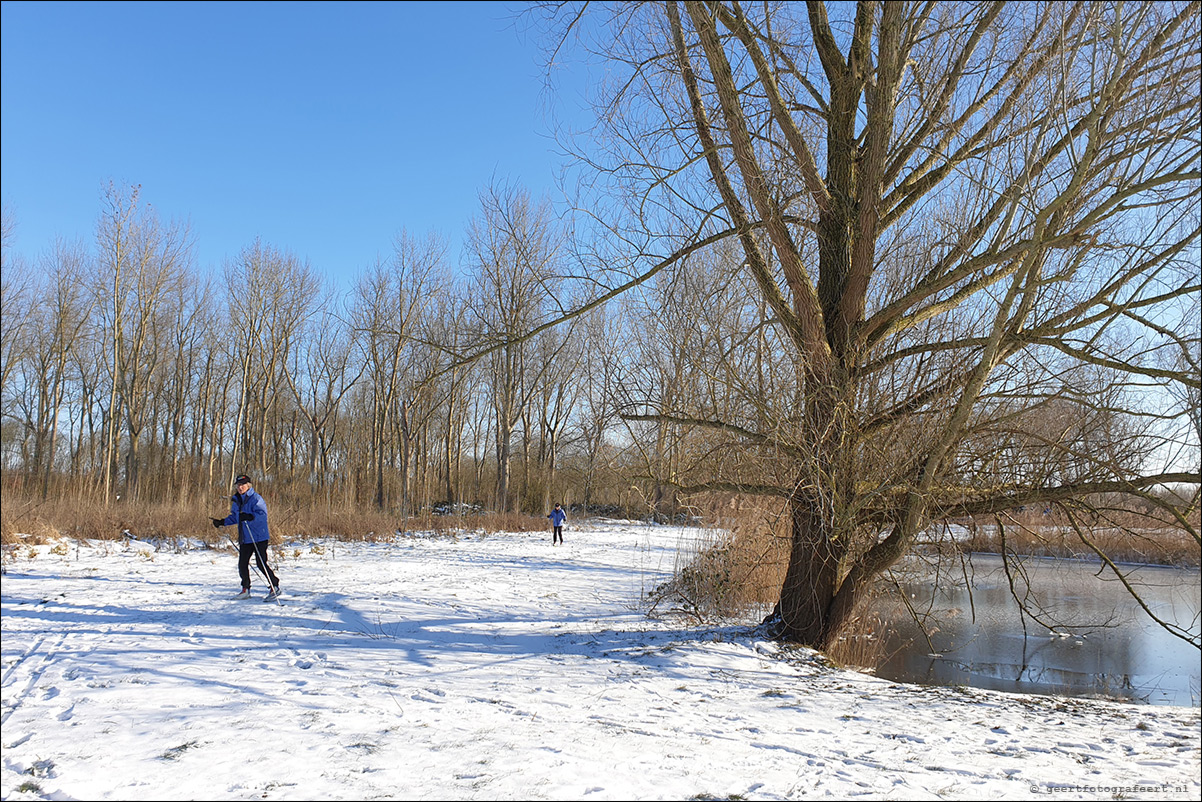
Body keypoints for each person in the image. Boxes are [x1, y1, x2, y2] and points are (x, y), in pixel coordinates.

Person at [211, 474, 280, 601]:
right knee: (242, 564)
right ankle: (245, 589)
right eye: (238, 485)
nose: (240, 487)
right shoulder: (237, 500)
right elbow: (235, 517)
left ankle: (274, 586)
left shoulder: (256, 499)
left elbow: (262, 515)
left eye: (242, 485)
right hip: (245, 537)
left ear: (248, 485)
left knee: (261, 563)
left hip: (259, 536)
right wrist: (221, 522)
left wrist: (250, 516)